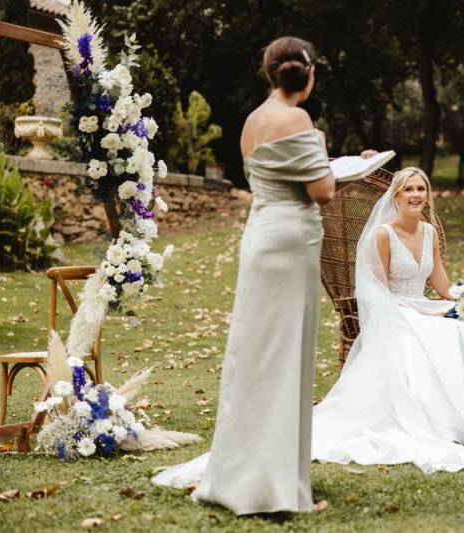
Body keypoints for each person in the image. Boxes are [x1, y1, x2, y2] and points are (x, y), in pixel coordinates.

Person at [152, 36, 335, 514]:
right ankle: (273, 487)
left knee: (256, 355)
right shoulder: (298, 120)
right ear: (308, 74)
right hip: (292, 241)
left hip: (262, 236)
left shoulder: (253, 120)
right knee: (285, 356)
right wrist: (321, 149)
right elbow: (322, 191)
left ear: (269, 72)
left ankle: (245, 474)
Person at [312, 167, 464, 474]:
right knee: (432, 334)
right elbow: (377, 292)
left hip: (423, 304)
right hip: (394, 309)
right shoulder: (383, 235)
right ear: (396, 196)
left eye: (420, 189)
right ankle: (440, 423)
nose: (415, 195)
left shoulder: (429, 232)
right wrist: (423, 312)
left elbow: (444, 288)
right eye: (408, 189)